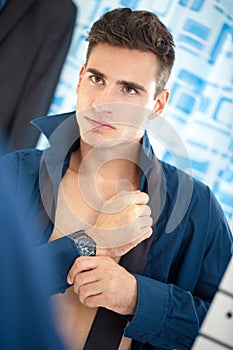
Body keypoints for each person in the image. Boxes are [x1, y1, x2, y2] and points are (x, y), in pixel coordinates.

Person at [2, 7, 232, 350]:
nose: (104, 103)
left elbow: (226, 331)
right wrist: (89, 243)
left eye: (129, 90)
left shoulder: (198, 209)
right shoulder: (14, 174)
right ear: (80, 78)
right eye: (97, 79)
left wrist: (140, 300)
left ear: (158, 105)